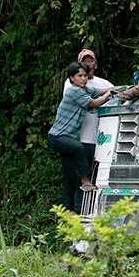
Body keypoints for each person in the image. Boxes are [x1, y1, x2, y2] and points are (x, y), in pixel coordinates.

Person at [49, 62, 112, 211]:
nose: (83, 78)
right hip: (58, 137)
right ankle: (85, 180)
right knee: (78, 148)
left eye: (85, 75)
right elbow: (95, 103)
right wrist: (108, 95)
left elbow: (100, 91)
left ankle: (71, 211)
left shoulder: (85, 89)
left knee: (69, 175)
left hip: (68, 139)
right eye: (79, 76)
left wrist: (118, 89)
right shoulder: (74, 91)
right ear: (72, 78)